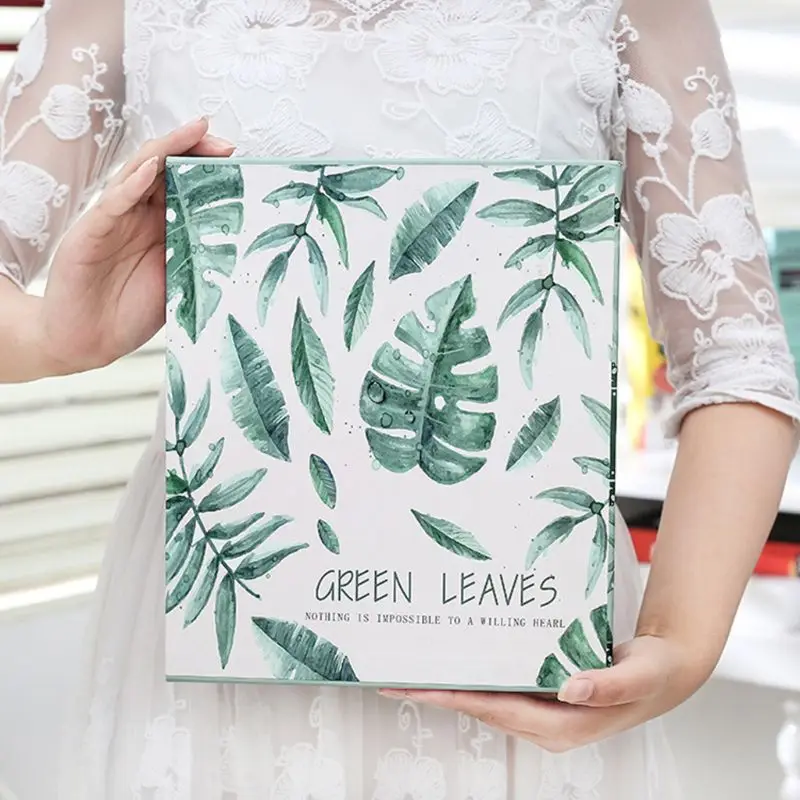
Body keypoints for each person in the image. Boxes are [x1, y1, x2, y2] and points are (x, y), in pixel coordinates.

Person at [1, 0, 797, 797]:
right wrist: (57, 340)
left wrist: (680, 641)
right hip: (232, 588)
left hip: (515, 608)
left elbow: (739, 356)